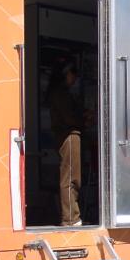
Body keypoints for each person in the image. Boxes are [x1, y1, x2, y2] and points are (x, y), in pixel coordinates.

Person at [48, 61, 84, 226]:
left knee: (72, 176)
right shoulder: (60, 94)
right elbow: (69, 117)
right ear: (65, 74)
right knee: (70, 177)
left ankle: (71, 216)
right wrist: (85, 120)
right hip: (69, 135)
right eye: (73, 72)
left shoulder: (61, 93)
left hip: (69, 135)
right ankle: (70, 217)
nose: (75, 77)